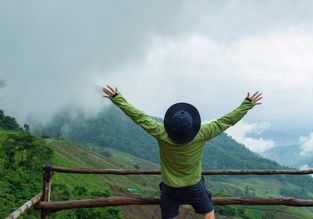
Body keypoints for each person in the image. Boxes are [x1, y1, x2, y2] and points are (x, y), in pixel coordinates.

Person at [102, 85, 263, 219]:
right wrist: (247, 104)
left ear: (171, 123)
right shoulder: (202, 133)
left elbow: (139, 117)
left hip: (170, 187)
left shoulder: (161, 133)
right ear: (192, 124)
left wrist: (117, 98)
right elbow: (226, 121)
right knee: (208, 212)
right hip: (194, 185)